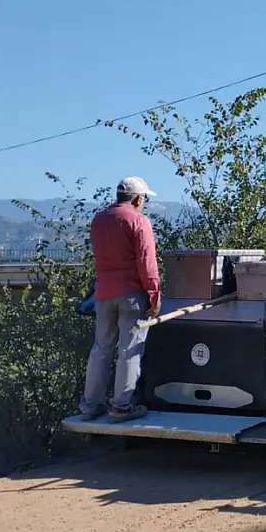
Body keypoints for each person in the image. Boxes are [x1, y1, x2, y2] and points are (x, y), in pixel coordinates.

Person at [78, 177, 161, 423]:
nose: (144, 203)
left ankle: (90, 405)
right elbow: (147, 262)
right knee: (129, 350)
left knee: (101, 348)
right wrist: (154, 295)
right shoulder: (138, 221)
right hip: (131, 296)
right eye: (144, 199)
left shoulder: (99, 220)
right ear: (137, 198)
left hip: (103, 294)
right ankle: (122, 406)